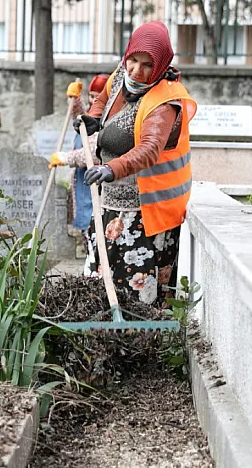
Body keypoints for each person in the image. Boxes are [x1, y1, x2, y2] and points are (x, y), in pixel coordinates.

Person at [74, 21, 197, 307]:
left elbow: (150, 149)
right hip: (109, 205)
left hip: (144, 217)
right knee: (100, 287)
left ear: (160, 65)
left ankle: (136, 344)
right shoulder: (121, 75)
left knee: (135, 297)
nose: (136, 71)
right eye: (133, 60)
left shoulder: (165, 102)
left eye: (146, 65)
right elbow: (104, 99)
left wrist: (111, 168)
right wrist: (93, 118)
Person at [48, 74, 110, 255]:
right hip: (82, 181)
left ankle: (94, 259)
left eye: (98, 97)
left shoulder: (107, 121)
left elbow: (92, 154)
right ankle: (88, 255)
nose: (93, 100)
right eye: (91, 96)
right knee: (85, 226)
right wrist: (75, 100)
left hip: (96, 181)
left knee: (94, 223)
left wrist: (65, 158)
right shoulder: (92, 114)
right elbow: (81, 118)